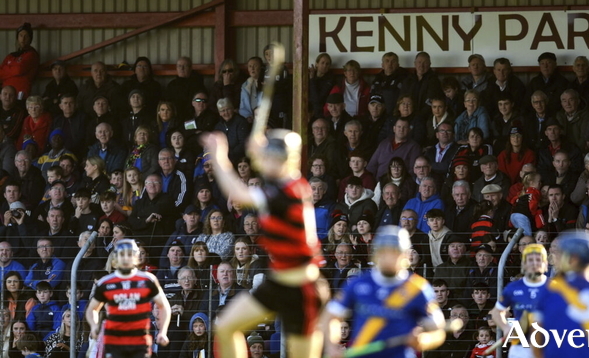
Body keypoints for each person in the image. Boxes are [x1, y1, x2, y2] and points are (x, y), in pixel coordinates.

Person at [202, 128, 328, 358]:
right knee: (226, 327)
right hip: (277, 282)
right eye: (267, 157)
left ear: (290, 161)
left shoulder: (289, 192)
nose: (270, 163)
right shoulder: (277, 182)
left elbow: (239, 194)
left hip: (302, 289)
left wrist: (219, 156)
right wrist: (257, 151)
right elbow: (262, 165)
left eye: (276, 158)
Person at [321, 225, 446, 358]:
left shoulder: (418, 288)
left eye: (395, 252)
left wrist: (424, 341)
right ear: (376, 254)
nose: (389, 258)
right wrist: (332, 347)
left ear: (405, 255)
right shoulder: (358, 284)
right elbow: (330, 316)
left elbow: (438, 331)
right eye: (384, 252)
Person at [86, 239, 171, 358]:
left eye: (129, 254)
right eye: (122, 254)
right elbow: (92, 309)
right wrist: (94, 326)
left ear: (136, 256)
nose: (126, 258)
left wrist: (163, 331)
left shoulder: (147, 280)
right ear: (116, 258)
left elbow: (164, 306)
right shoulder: (105, 282)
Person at [490, 244, 547, 358]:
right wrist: (506, 327)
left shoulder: (556, 288)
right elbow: (496, 312)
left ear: (545, 264)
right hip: (521, 348)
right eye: (530, 260)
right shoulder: (513, 288)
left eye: (538, 259)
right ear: (524, 264)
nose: (534, 263)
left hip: (548, 346)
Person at [0, 23, 39, 99]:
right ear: (17, 37)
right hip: (5, 96)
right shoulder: (10, 56)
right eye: (20, 35)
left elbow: (19, 70)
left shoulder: (32, 55)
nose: (23, 39)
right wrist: (14, 68)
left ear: (30, 39)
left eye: (26, 36)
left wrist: (6, 68)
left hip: (20, 95)